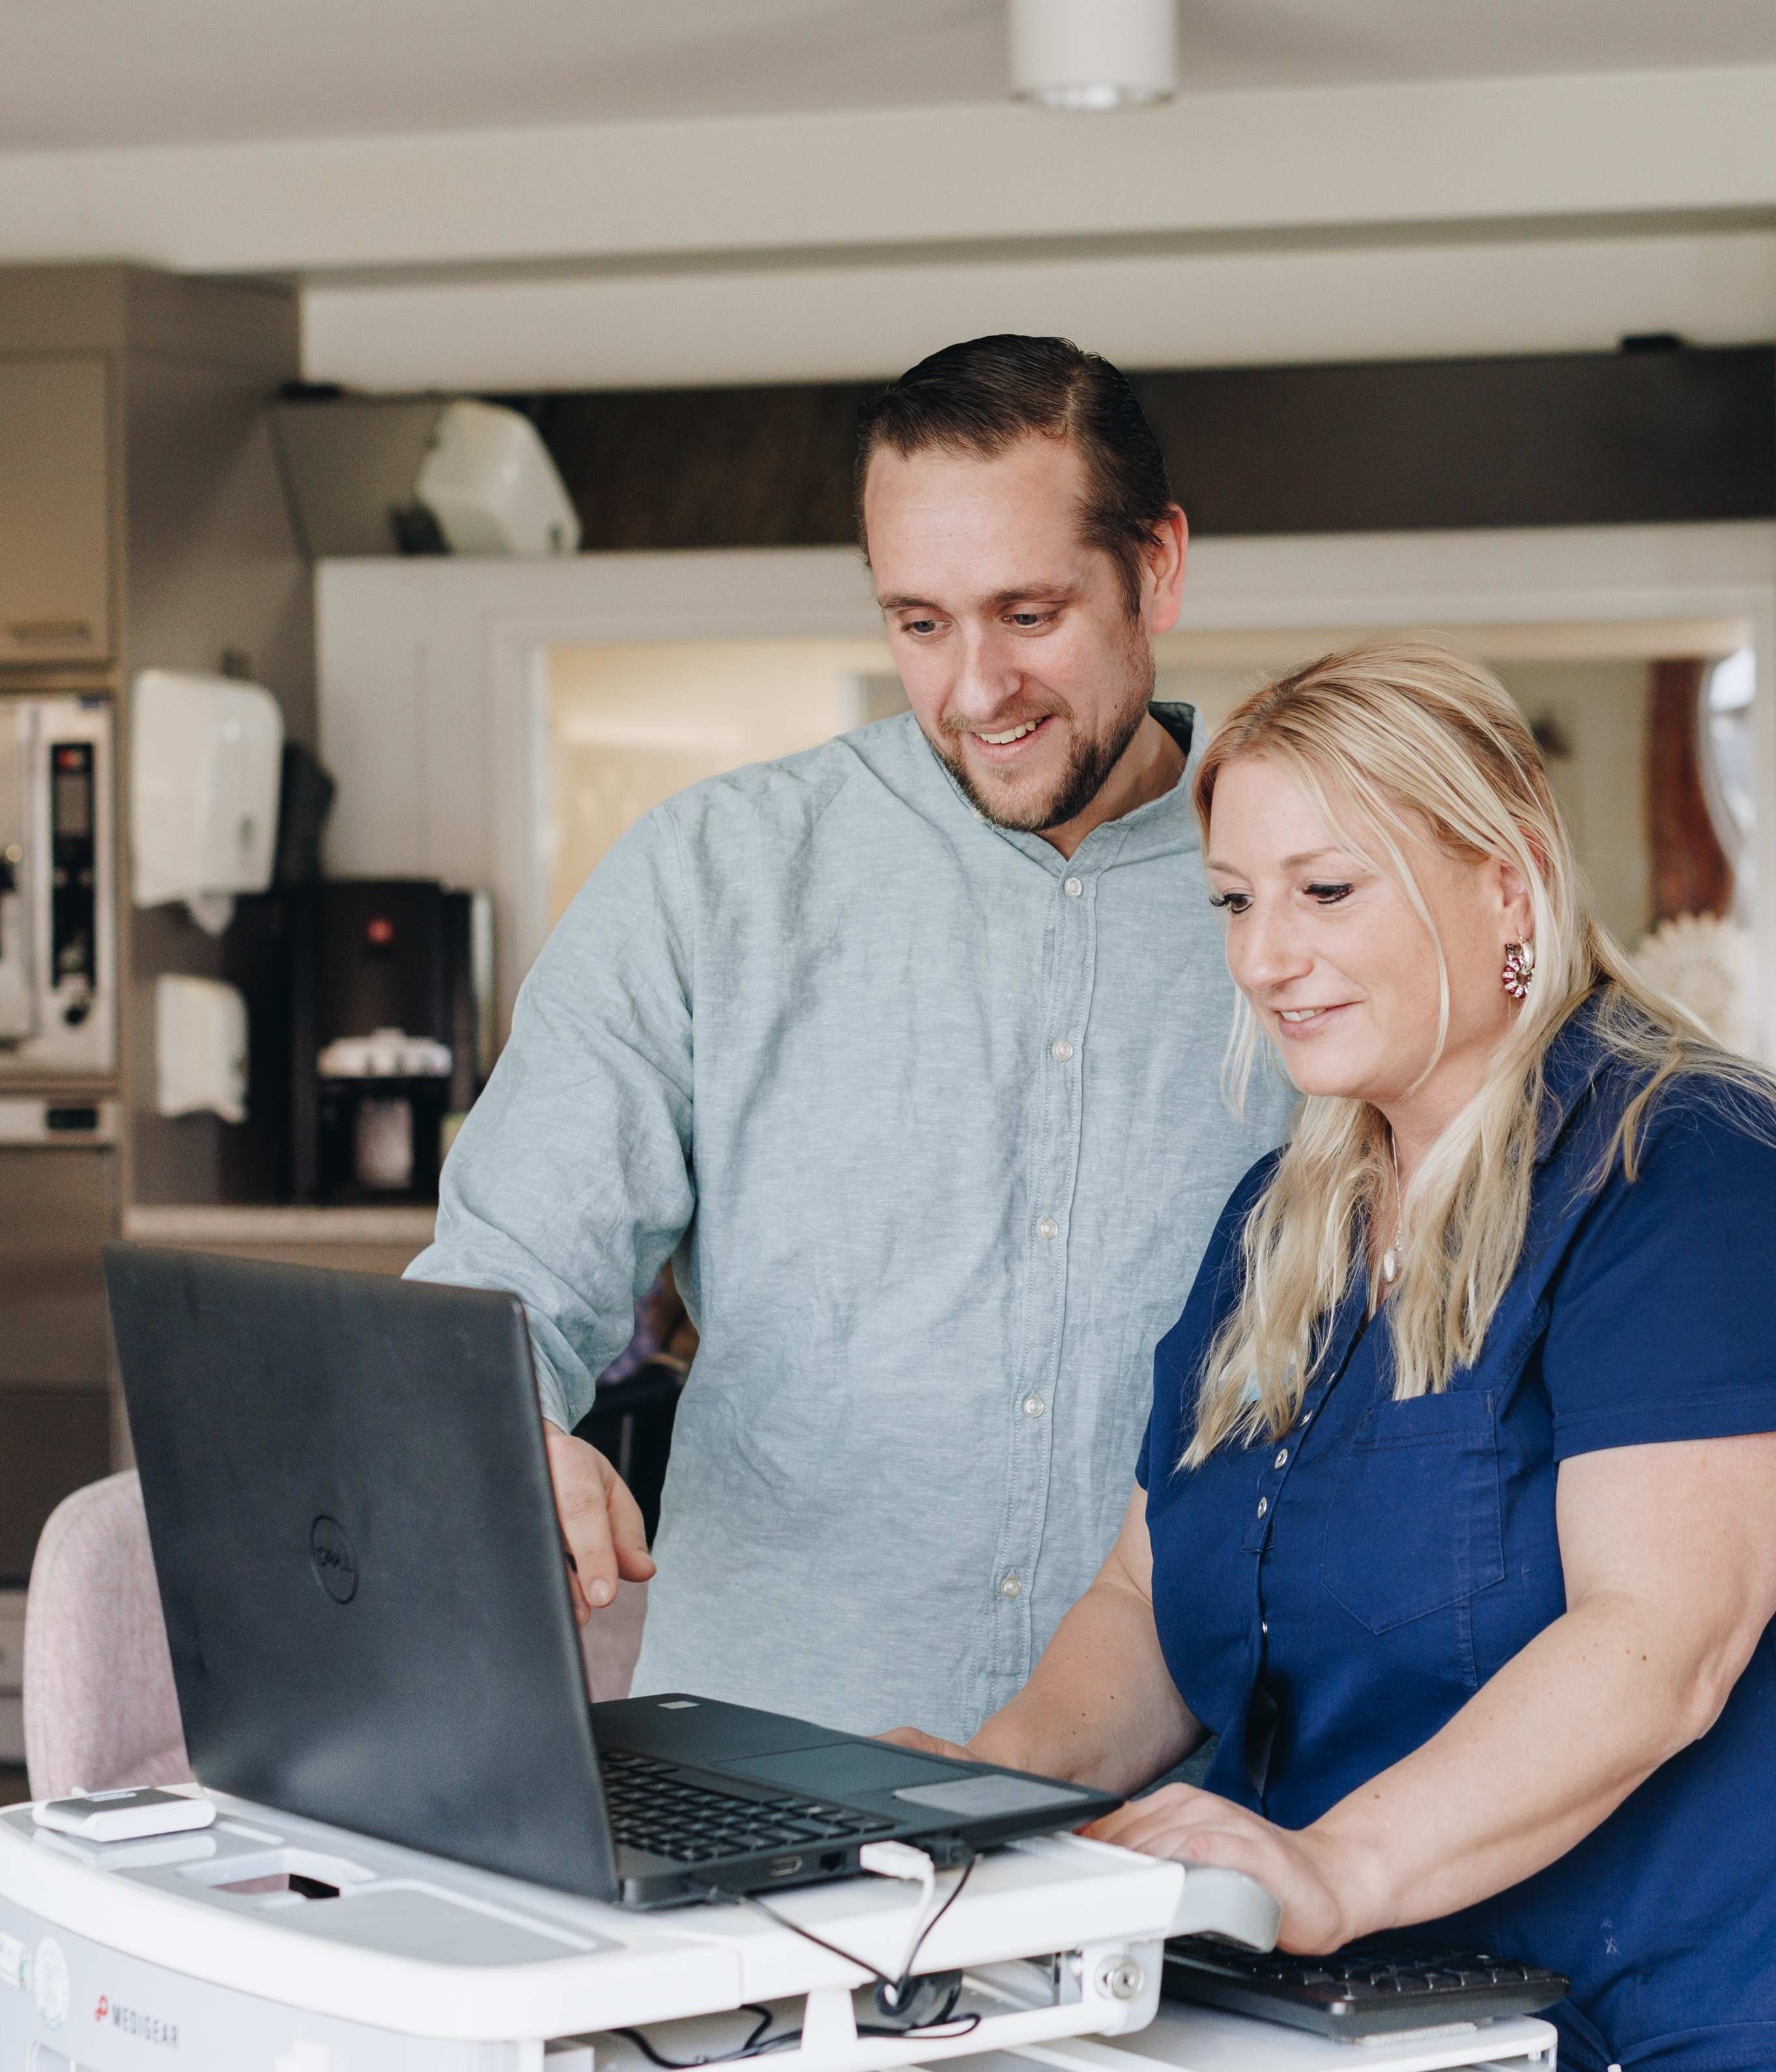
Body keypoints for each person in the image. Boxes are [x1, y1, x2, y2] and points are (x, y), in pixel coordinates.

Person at [885, 639, 1776, 2072]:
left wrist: (1331, 1865)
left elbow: (1660, 1647)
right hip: (1396, 2033)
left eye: (1326, 889)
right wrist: (987, 1795)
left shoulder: (1704, 1174)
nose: (1266, 955)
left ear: (1508, 885)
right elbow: (1153, 1591)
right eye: (1235, 900)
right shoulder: (1287, 1218)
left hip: (1712, 2034)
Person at [409, 336, 1290, 1740]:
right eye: (920, 623)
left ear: (1159, 567)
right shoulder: (716, 873)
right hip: (773, 1777)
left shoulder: (1306, 894)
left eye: (1029, 612)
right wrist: (496, 1423)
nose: (976, 688)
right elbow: (499, 1277)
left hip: (1197, 1809)